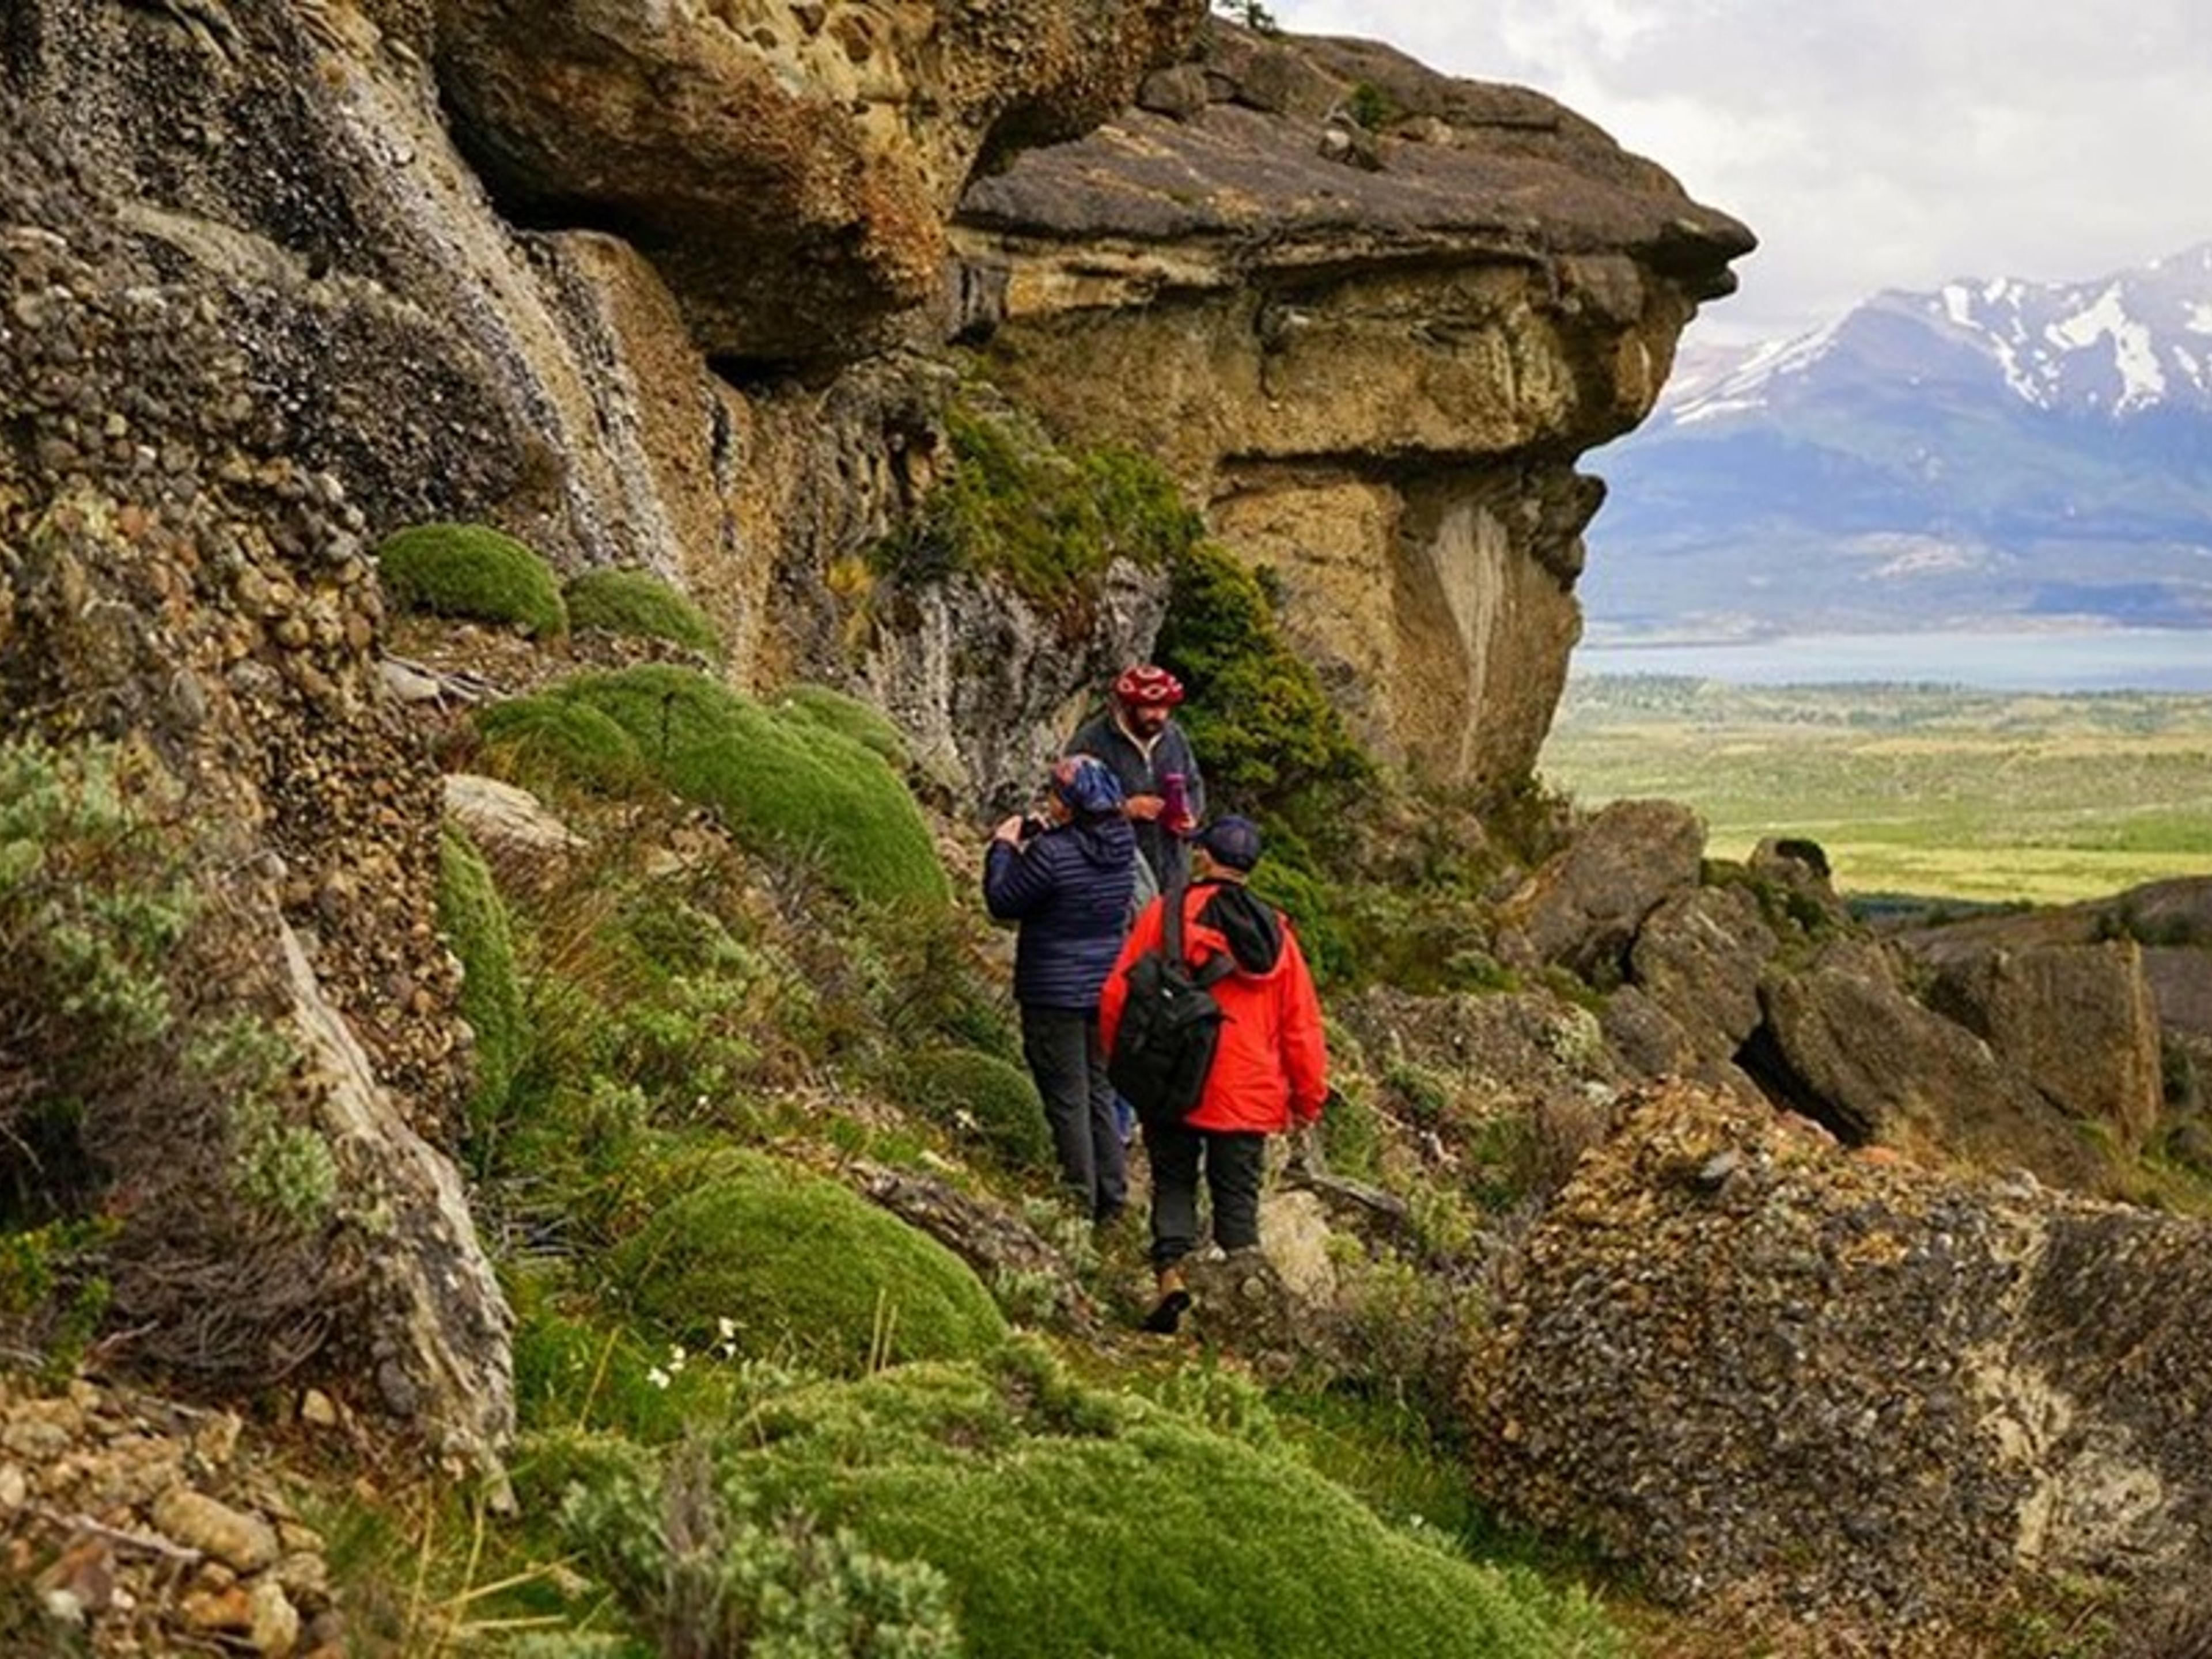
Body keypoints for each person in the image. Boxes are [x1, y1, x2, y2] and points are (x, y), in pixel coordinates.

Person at [1099, 815, 1328, 1334]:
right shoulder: (1279, 936)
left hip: (1173, 1074)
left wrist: (1122, 1058)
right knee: (1237, 1199)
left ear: (1203, 855)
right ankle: (1242, 1303)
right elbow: (1302, 1028)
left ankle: (1172, 1278)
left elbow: (1118, 993)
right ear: (1251, 867)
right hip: (1248, 1089)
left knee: (1174, 1181)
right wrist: (1307, 1101)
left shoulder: (1166, 914)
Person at [983, 755, 1139, 1225]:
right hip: (1103, 986)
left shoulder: (1053, 854)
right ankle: (1112, 1197)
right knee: (1098, 1091)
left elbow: (1003, 901)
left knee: (1066, 1096)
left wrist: (1004, 849)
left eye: (1055, 795)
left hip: (1054, 990)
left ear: (1070, 806)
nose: (1049, 802)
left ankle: (1078, 1200)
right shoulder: (1122, 845)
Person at [1069, 664, 1206, 894]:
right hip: (1116, 878)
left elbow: (1194, 783)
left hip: (1173, 873)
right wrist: (1124, 809)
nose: (1159, 716)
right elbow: (1068, 806)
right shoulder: (1092, 742)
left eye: (1165, 708)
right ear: (1128, 706)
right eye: (1150, 708)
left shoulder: (1174, 736)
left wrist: (1189, 813)